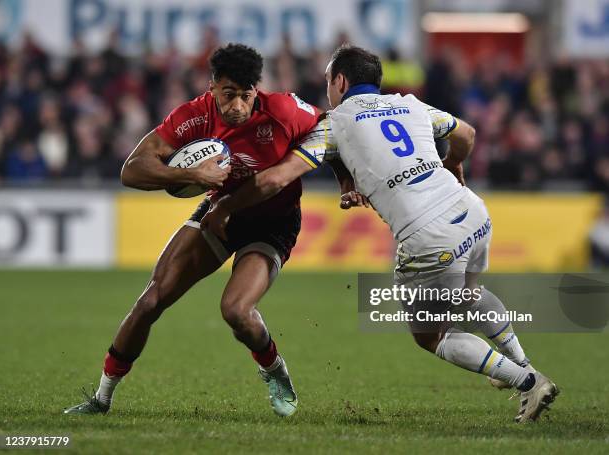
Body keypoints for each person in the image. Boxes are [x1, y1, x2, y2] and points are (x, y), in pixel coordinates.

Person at [200, 45, 560, 423]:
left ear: (339, 81)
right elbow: (466, 134)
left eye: (328, 82)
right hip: (473, 213)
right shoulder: (412, 104)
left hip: (427, 236)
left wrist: (224, 206)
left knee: (431, 335)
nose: (327, 90)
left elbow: (276, 178)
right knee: (468, 295)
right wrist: (452, 161)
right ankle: (522, 362)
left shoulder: (334, 123)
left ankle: (527, 380)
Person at [64, 43, 357, 418]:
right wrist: (190, 175)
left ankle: (274, 369)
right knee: (151, 300)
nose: (237, 106)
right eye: (228, 94)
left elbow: (330, 133)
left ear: (258, 90)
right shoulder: (194, 116)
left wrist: (346, 182)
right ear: (212, 86)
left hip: (273, 222)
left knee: (235, 310)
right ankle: (101, 399)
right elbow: (132, 169)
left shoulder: (284, 110)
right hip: (217, 213)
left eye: (246, 96)